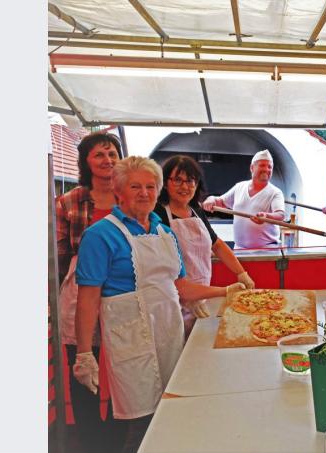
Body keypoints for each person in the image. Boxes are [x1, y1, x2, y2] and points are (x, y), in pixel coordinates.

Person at [73, 157, 245, 453]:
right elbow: (87, 300)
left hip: (169, 333)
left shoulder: (164, 232)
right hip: (131, 341)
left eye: (150, 186)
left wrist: (223, 291)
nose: (144, 193)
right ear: (119, 191)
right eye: (135, 186)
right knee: (139, 424)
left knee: (172, 412)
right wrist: (84, 353)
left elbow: (179, 286)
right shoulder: (100, 235)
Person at [55, 132, 121, 452]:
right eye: (100, 155)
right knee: (84, 363)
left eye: (112, 154)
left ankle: (118, 431)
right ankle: (91, 438)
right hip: (81, 289)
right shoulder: (70, 200)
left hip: (123, 290)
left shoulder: (130, 196)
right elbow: (60, 252)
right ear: (86, 161)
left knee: (122, 366)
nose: (108, 160)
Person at [155, 155, 256, 335]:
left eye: (190, 180)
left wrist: (241, 273)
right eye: (177, 180)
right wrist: (223, 291)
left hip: (202, 295)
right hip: (171, 299)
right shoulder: (158, 214)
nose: (185, 186)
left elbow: (217, 244)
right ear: (165, 182)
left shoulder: (196, 211)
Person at [202, 150, 286, 248]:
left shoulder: (275, 192)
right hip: (240, 249)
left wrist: (266, 216)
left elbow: (280, 215)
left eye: (269, 167)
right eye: (262, 165)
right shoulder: (239, 187)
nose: (266, 169)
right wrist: (211, 199)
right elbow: (221, 202)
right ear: (252, 167)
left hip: (267, 250)